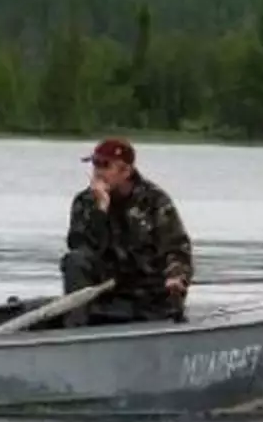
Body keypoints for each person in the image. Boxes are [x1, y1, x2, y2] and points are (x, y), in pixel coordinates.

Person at [61, 137, 193, 326]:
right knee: (75, 260)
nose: (98, 172)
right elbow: (82, 247)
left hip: (147, 294)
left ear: (126, 171)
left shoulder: (154, 201)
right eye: (95, 164)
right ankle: (76, 328)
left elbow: (176, 247)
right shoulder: (85, 202)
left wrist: (176, 277)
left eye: (105, 165)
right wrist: (100, 211)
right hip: (105, 292)